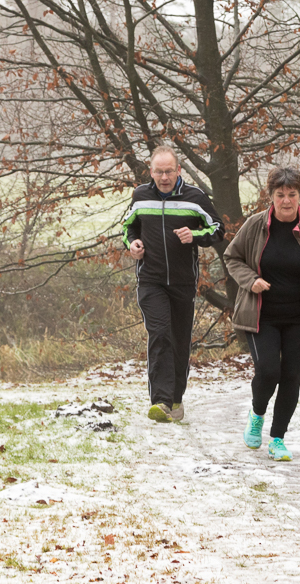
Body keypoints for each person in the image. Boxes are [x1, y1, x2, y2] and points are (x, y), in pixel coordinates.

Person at [224, 167, 300, 461]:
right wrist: (250, 280)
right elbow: (232, 256)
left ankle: (277, 438)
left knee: (291, 376)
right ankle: (257, 414)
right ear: (271, 197)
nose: (286, 200)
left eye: (292, 194)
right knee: (268, 371)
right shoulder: (255, 226)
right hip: (261, 314)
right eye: (280, 195)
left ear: (299, 196)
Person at [122, 146, 225, 423]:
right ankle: (160, 401)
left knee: (179, 340)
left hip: (183, 282)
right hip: (151, 279)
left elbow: (218, 229)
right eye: (159, 171)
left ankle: (176, 398)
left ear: (178, 170)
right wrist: (132, 243)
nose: (164, 177)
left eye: (169, 171)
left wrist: (195, 234)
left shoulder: (195, 197)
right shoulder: (141, 196)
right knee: (159, 333)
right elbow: (127, 227)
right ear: (151, 171)